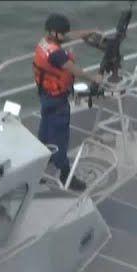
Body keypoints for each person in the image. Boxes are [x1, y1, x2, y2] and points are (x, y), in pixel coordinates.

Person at [33, 13, 102, 191]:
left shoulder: (46, 41)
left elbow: (68, 36)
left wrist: (88, 32)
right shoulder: (56, 54)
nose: (65, 36)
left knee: (46, 130)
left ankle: (39, 165)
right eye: (62, 33)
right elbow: (74, 70)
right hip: (56, 100)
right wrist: (94, 77)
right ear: (55, 33)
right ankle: (66, 175)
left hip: (46, 96)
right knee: (60, 135)